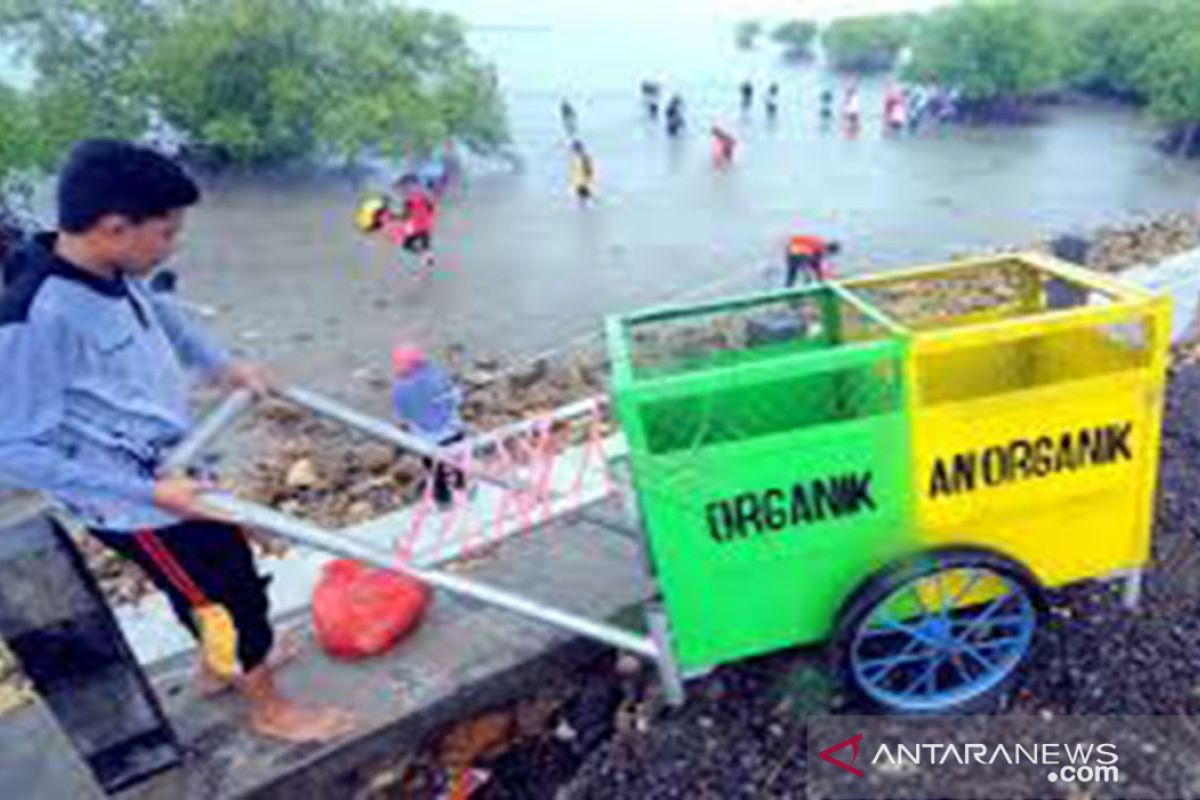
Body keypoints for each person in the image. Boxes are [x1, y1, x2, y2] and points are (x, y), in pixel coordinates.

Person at [0, 139, 356, 743]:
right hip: (138, 504)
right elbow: (15, 448)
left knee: (222, 575)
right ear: (115, 227)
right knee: (225, 597)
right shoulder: (35, 318)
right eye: (166, 234)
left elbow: (167, 319)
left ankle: (222, 668)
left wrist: (226, 367)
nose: (174, 245)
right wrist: (152, 491)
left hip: (180, 468)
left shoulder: (111, 268)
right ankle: (269, 707)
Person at [391, 347, 467, 508]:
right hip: (452, 430)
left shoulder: (399, 389)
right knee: (459, 463)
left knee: (435, 471)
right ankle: (461, 488)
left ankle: (443, 500)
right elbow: (455, 398)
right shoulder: (436, 376)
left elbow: (403, 416)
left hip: (426, 439)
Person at [390, 175, 437, 270]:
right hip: (425, 227)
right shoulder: (423, 198)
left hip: (418, 227)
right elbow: (431, 209)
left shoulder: (409, 201)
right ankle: (427, 259)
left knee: (407, 244)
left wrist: (394, 217)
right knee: (424, 246)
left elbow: (404, 215)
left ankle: (426, 258)